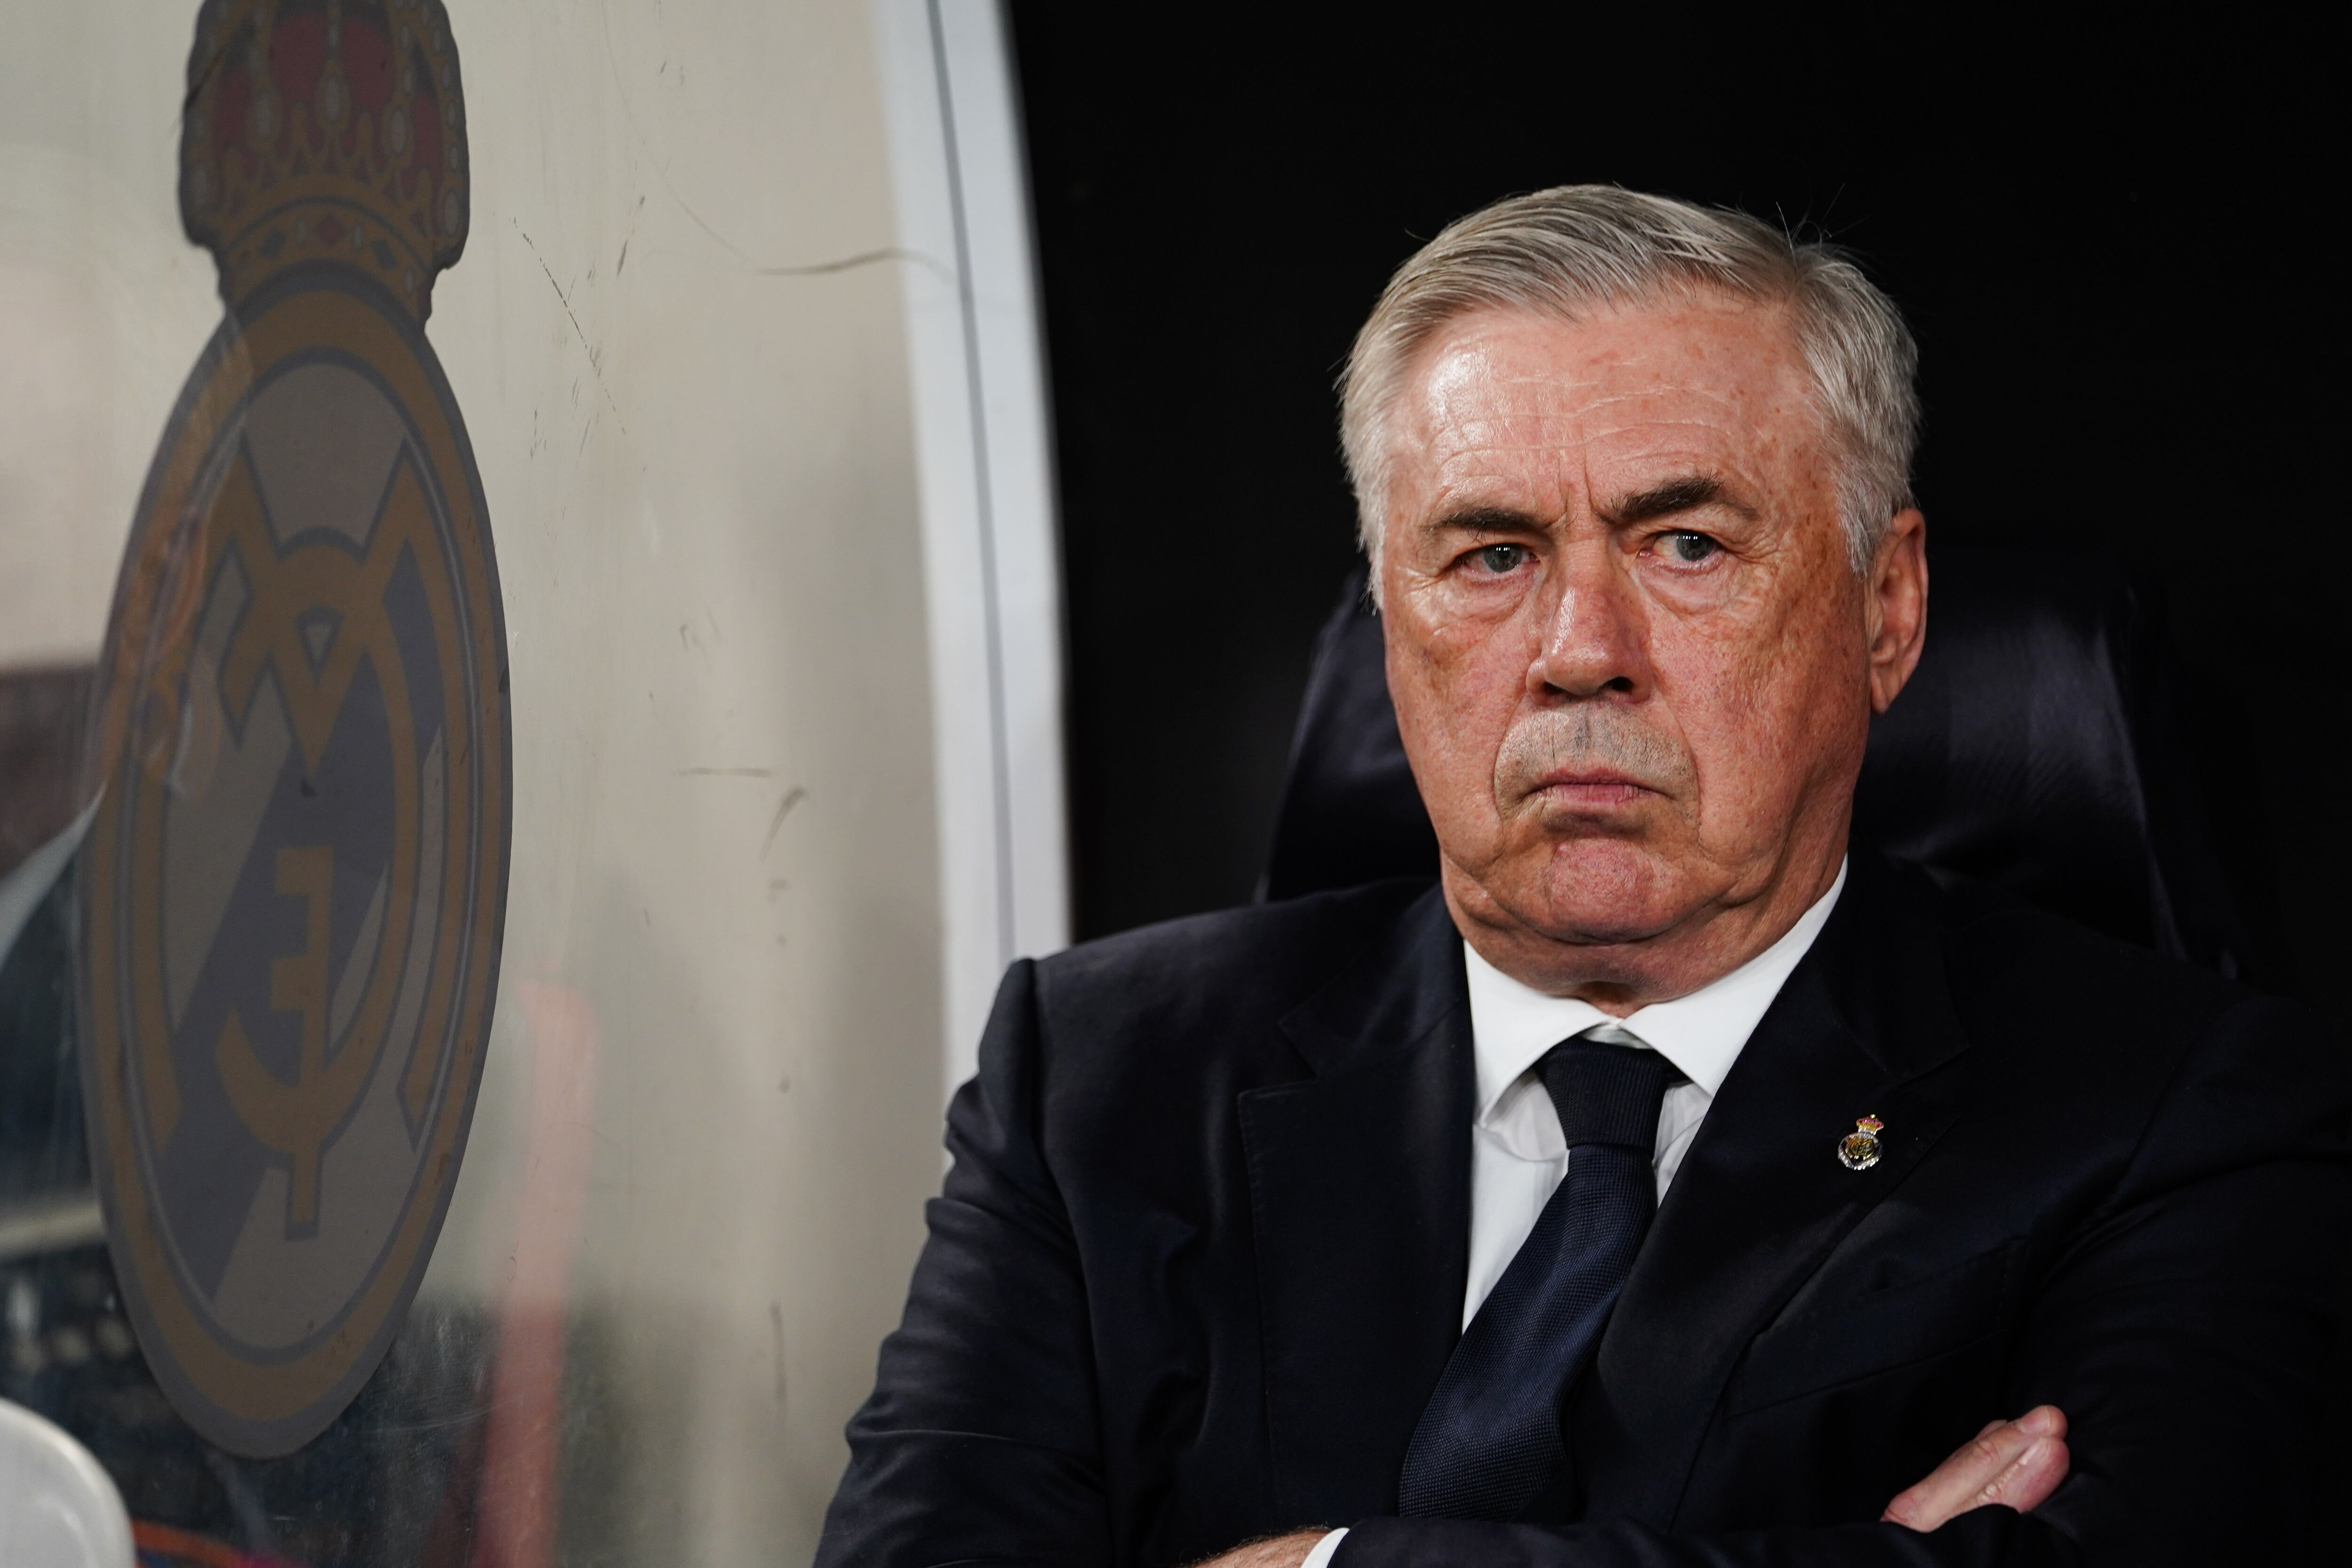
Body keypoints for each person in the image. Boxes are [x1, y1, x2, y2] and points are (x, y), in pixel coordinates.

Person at [813, 187, 2350, 1566]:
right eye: (1491, 557)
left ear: (1886, 609)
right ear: (1391, 620)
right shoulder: (1099, 1077)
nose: (1578, 652)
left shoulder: (2176, 1112)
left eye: (1686, 545)